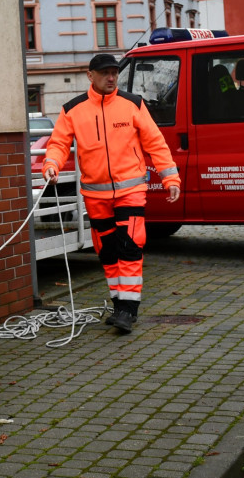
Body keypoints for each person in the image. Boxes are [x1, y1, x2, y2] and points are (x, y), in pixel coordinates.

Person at [42, 54, 181, 334]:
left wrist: (170, 178)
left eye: (114, 73)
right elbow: (58, 143)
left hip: (131, 191)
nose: (111, 77)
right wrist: (51, 165)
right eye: (105, 73)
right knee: (107, 252)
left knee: (129, 246)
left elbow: (156, 143)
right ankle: (119, 305)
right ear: (89, 75)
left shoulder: (133, 104)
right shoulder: (73, 109)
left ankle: (129, 311)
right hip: (95, 196)